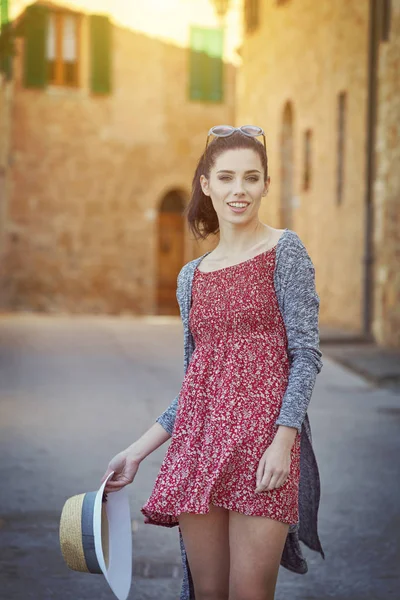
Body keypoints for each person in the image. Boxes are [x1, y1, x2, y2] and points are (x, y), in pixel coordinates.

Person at [100, 125, 325, 600]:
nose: (238, 190)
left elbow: (305, 356)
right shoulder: (191, 277)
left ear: (266, 183)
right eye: (225, 178)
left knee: (251, 593)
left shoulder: (285, 251)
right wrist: (137, 452)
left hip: (264, 450)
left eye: (250, 178)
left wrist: (283, 441)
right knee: (208, 594)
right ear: (206, 184)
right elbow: (196, 386)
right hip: (199, 450)